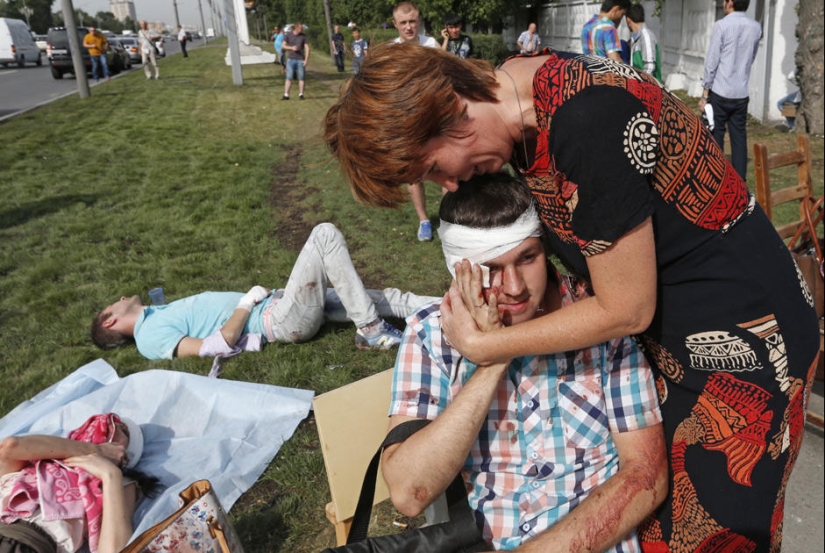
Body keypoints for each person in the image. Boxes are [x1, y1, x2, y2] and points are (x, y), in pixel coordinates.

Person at [322, 42, 821, 552]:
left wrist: (488, 348)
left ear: (448, 107)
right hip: (682, 341)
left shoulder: (584, 120)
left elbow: (627, 308)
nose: (449, 185)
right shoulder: (524, 97)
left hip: (744, 352)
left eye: (433, 169)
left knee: (712, 534)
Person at [383, 173, 667, 551]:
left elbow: (646, 475)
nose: (514, 287)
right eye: (492, 268)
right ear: (459, 271)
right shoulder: (432, 335)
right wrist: (492, 358)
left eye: (527, 258)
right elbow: (409, 492)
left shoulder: (597, 320)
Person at [91, 223, 438, 360]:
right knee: (324, 235)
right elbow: (217, 346)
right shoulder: (150, 336)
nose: (120, 298)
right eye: (114, 304)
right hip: (279, 321)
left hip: (279, 304)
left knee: (385, 298)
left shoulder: (155, 315)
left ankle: (452, 304)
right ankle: (371, 329)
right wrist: (246, 303)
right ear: (110, 322)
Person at [0, 413, 160, 552]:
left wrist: (111, 475)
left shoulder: (118, 483)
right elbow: (9, 446)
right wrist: (95, 450)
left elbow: (115, 549)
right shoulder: (38, 461)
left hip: (21, 543)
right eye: (109, 419)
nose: (108, 422)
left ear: (125, 455)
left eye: (124, 430)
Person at [392, 1, 439, 242]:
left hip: (434, 117)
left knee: (446, 165)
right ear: (395, 24)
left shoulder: (431, 45)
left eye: (412, 21)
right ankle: (424, 221)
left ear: (418, 21)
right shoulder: (390, 51)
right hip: (408, 120)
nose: (408, 27)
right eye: (403, 23)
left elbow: (445, 75)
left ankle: (450, 215)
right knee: (413, 173)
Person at [699, 0, 762, 181]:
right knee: (739, 138)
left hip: (720, 89)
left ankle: (717, 178)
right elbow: (751, 57)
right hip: (741, 91)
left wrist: (705, 93)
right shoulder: (756, 27)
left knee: (716, 134)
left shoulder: (721, 25)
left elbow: (712, 61)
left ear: (730, 3)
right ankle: (740, 183)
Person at [625, 4, 661, 81]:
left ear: (628, 19)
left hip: (648, 87)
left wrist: (641, 83)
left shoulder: (646, 36)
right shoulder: (635, 38)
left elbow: (649, 67)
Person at [282, 22, 310, 100]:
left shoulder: (303, 36)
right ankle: (286, 95)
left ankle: (301, 94)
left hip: (300, 59)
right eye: (301, 28)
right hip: (291, 59)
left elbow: (307, 48)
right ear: (296, 28)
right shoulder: (288, 35)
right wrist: (291, 48)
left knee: (301, 77)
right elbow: (283, 45)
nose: (302, 29)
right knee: (289, 77)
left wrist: (306, 60)